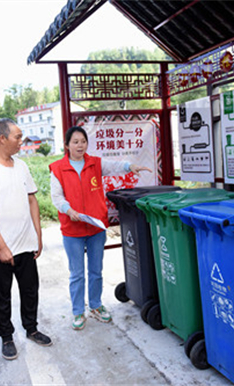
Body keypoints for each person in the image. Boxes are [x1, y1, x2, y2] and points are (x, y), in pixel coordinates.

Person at [50, 126, 151, 330]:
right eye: (75, 142)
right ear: (67, 145)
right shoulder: (58, 169)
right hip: (73, 230)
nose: (80, 145)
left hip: (96, 228)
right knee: (76, 273)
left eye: (83, 141)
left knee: (96, 270)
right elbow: (56, 198)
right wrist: (68, 210)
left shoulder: (94, 163)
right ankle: (78, 311)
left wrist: (130, 166)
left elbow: (114, 166)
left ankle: (95, 305)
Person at [0, 118, 52, 361]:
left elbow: (32, 200)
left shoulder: (21, 167)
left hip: (26, 244)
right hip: (1, 250)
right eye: (17, 137)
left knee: (30, 290)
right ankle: (6, 336)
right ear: (2, 139)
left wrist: (38, 235)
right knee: (2, 296)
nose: (21, 141)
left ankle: (31, 328)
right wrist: (2, 247)